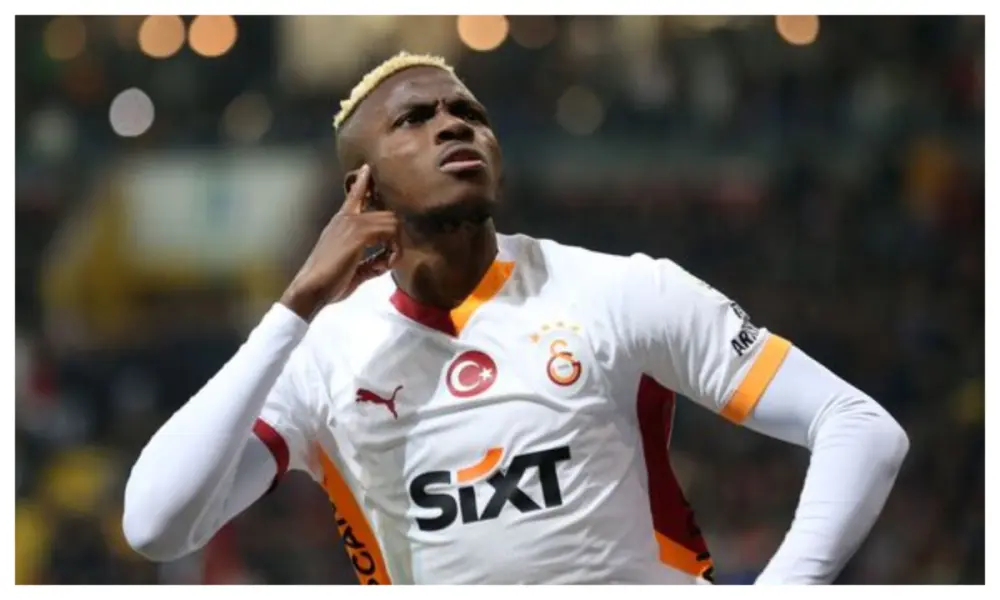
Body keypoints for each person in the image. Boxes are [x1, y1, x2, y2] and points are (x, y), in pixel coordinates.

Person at [122, 52, 909, 585]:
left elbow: (859, 426)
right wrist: (296, 305)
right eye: (414, 119)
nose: (453, 125)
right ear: (361, 189)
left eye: (468, 111)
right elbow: (158, 524)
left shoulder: (619, 290)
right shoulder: (324, 353)